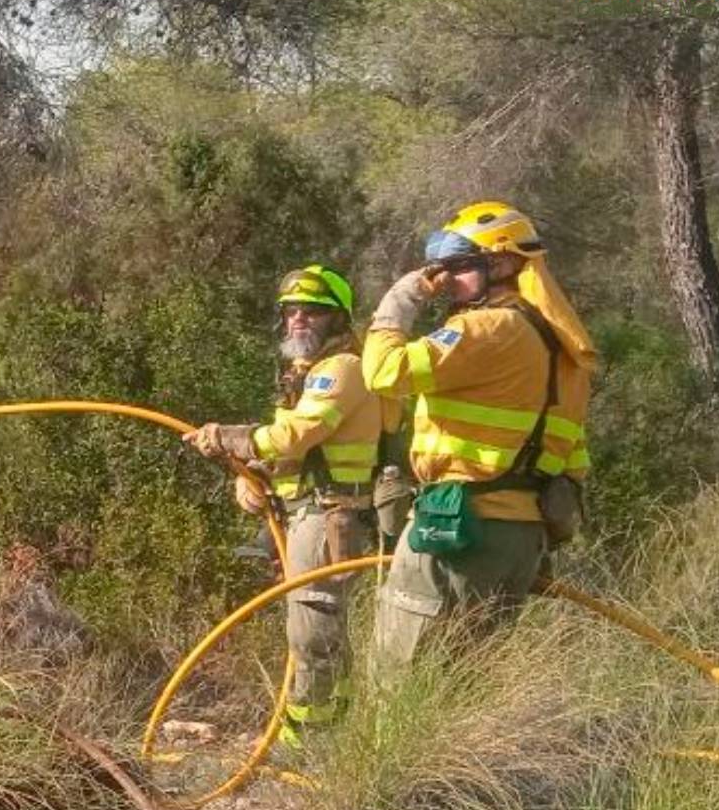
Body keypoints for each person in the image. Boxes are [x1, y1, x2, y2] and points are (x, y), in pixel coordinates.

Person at [361, 201, 595, 668]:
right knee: (469, 677)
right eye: (441, 268)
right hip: (520, 535)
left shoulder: (487, 328)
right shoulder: (561, 344)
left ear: (505, 263)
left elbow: (383, 372)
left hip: (460, 526)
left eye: (460, 267)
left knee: (400, 671)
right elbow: (572, 455)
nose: (446, 279)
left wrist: (400, 301)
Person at [183, 265, 391, 745]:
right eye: (291, 311)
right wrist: (254, 480)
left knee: (314, 634)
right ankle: (319, 734)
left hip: (326, 519)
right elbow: (288, 453)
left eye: (312, 311)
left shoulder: (345, 369)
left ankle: (310, 744)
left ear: (337, 319)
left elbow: (295, 436)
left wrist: (228, 438)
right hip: (300, 514)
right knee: (307, 632)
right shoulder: (304, 375)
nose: (298, 319)